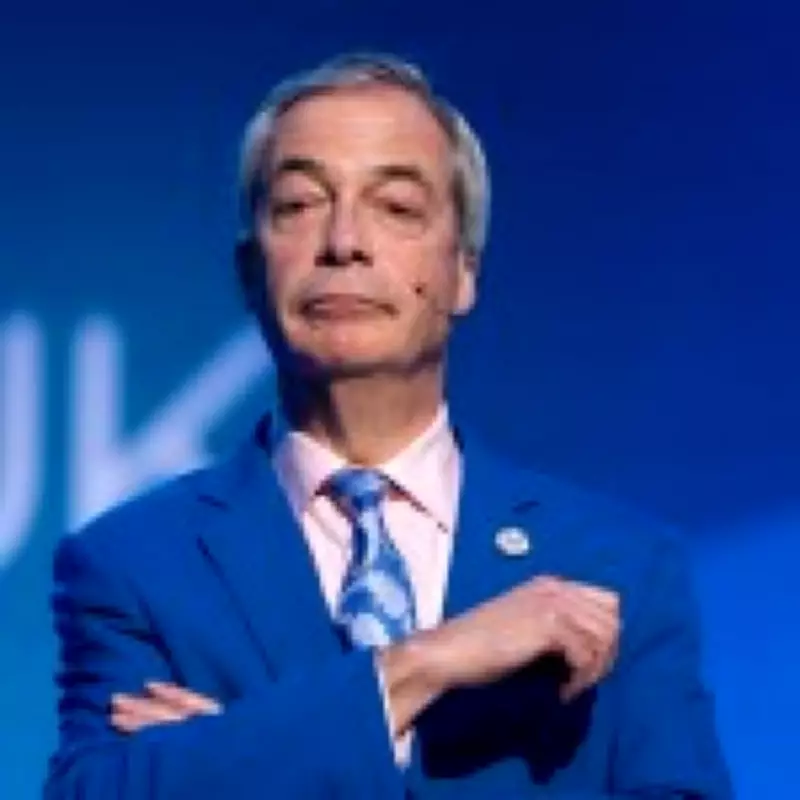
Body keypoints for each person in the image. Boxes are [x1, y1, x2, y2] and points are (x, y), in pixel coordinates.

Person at [46, 52, 733, 798]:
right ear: (250, 271)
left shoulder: (616, 566)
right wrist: (420, 666)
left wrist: (239, 755)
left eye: (397, 208)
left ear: (463, 271)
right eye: (300, 204)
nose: (345, 242)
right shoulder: (137, 563)